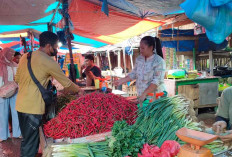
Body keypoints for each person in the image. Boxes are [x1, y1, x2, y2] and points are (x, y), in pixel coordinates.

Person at [15, 31, 84, 156]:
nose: (57, 49)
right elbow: (67, 84)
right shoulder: (49, 61)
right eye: (55, 47)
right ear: (48, 46)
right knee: (31, 144)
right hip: (33, 108)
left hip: (20, 105)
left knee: (27, 139)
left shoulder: (26, 56)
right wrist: (79, 90)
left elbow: (17, 79)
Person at [115, 36, 166, 103]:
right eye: (140, 48)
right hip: (142, 97)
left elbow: (156, 81)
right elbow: (134, 74)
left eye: (143, 48)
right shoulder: (139, 59)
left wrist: (145, 93)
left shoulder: (159, 61)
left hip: (155, 98)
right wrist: (121, 80)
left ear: (151, 48)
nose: (140, 50)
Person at [0, 47, 21, 142]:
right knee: (3, 114)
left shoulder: (15, 65)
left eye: (13, 55)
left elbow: (18, 78)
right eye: (10, 54)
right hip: (2, 92)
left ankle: (17, 133)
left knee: (16, 111)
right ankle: (3, 135)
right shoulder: (1, 65)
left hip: (15, 90)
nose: (12, 56)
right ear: (5, 54)